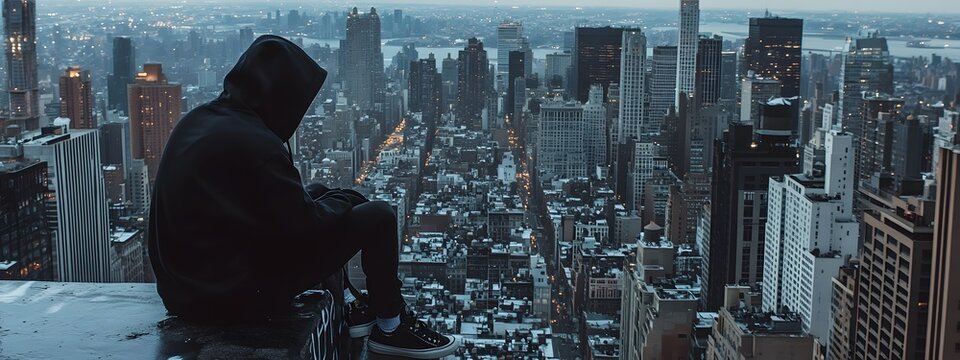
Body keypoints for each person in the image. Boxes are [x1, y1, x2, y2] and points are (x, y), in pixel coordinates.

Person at [147, 35, 460, 358]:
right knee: (378, 215)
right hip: (229, 298)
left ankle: (354, 303)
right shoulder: (257, 143)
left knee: (319, 193)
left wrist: (331, 200)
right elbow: (305, 226)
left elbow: (274, 211)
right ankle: (392, 327)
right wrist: (350, 199)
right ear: (280, 95)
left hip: (186, 290)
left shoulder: (201, 119)